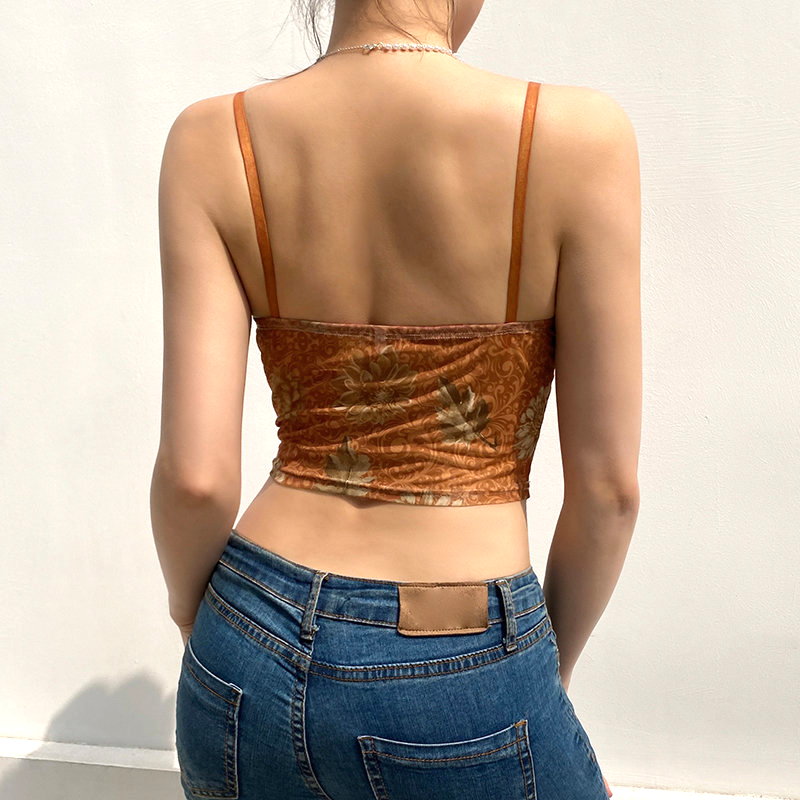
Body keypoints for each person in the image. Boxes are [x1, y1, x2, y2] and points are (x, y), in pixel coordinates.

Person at [151, 1, 641, 797]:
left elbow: (194, 480)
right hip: (459, 640)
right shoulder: (578, 137)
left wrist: (194, 618)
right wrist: (540, 668)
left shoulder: (212, 138)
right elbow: (609, 492)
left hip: (244, 629)